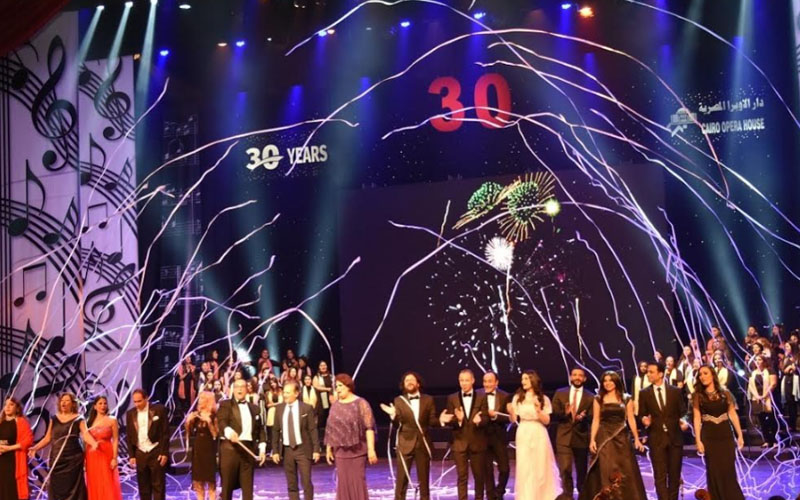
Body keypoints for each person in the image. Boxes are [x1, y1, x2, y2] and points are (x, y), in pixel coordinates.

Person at [578, 371, 647, 500]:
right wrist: (592, 440)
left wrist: (637, 439)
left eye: (610, 380)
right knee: (606, 467)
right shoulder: (598, 399)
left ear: (616, 382)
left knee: (625, 468)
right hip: (605, 437)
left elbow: (631, 419)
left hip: (622, 437)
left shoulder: (626, 398)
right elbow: (596, 420)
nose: (607, 383)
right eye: (605, 381)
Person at [29, 392, 98, 500]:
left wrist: (94, 443)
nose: (64, 403)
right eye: (62, 400)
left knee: (74, 487)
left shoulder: (78, 419)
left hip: (73, 459)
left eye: (67, 400)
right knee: (57, 486)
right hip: (57, 458)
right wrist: (35, 448)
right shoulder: (53, 419)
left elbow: (85, 434)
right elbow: (47, 438)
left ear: (73, 404)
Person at [380, 371, 437, 500]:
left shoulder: (428, 399)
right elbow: (398, 424)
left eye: (412, 380)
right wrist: (393, 416)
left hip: (423, 444)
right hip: (405, 443)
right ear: (403, 384)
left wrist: (442, 421)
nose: (409, 382)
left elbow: (432, 421)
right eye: (407, 380)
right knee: (401, 480)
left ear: (418, 383)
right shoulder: (399, 401)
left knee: (424, 480)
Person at [691, 365, 745, 500]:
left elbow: (732, 413)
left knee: (728, 469)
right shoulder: (698, 396)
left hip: (725, 435)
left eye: (705, 373)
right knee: (714, 470)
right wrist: (698, 440)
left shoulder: (725, 393)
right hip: (709, 436)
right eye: (700, 374)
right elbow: (697, 418)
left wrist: (740, 435)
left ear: (712, 375)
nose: (702, 377)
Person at [637, 361, 688, 500]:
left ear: (660, 374)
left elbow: (683, 411)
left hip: (675, 438)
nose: (648, 374)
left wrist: (684, 421)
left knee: (674, 475)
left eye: (651, 372)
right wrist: (644, 420)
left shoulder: (675, 391)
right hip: (656, 438)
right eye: (647, 372)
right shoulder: (644, 393)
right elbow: (641, 414)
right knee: (660, 476)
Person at [508, 370, 561, 500]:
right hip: (523, 431)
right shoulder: (517, 398)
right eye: (522, 379)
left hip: (538, 431)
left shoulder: (543, 399)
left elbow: (547, 421)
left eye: (526, 378)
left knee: (541, 465)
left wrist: (538, 411)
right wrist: (511, 412)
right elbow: (513, 420)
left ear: (533, 380)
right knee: (525, 465)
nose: (523, 381)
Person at [324, 373, 378, 500]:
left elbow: (369, 427)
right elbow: (331, 429)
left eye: (340, 386)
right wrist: (328, 449)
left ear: (348, 386)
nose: (338, 389)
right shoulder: (335, 405)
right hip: (340, 452)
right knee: (343, 484)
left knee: (357, 482)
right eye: (336, 386)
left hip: (357, 451)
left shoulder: (361, 403)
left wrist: (371, 449)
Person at [440, 369, 489, 500]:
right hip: (459, 442)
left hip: (477, 442)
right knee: (462, 477)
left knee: (479, 476)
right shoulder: (452, 398)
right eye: (461, 380)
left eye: (467, 380)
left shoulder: (482, 396)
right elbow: (451, 420)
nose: (464, 383)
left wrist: (480, 421)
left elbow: (486, 418)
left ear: (472, 381)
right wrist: (458, 420)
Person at [218, 379, 267, 500]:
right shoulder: (226, 404)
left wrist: (262, 449)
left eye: (242, 387)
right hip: (230, 449)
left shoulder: (254, 408)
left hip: (248, 450)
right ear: (233, 389)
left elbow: (260, 430)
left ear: (247, 389)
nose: (239, 389)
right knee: (227, 487)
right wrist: (229, 431)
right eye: (237, 387)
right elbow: (222, 421)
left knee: (248, 488)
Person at [272, 381, 321, 500]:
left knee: (306, 482)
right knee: (291, 483)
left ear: (296, 393)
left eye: (288, 393)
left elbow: (312, 430)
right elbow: (275, 431)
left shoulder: (306, 408)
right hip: (287, 451)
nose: (285, 395)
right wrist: (276, 451)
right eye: (284, 392)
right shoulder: (279, 408)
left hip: (303, 449)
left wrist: (316, 449)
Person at [552, 367, 593, 500]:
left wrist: (584, 418)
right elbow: (554, 414)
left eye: (580, 375)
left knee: (581, 470)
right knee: (565, 468)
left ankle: (582, 493)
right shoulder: (560, 393)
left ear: (584, 379)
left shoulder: (590, 396)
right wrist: (565, 413)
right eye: (574, 375)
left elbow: (593, 416)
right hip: (564, 437)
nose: (577, 377)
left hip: (581, 436)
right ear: (570, 377)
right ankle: (567, 494)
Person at [125, 389, 169, 500]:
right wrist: (132, 455)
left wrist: (164, 452)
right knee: (143, 487)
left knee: (158, 485)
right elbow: (129, 435)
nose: (137, 404)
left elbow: (165, 433)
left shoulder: (159, 410)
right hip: (140, 452)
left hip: (155, 451)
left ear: (146, 398)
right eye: (135, 402)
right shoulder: (130, 414)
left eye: (139, 401)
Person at [479, 371, 510, 500]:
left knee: (504, 469)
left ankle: (499, 492)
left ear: (496, 383)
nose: (487, 384)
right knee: (487, 470)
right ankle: (491, 496)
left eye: (490, 381)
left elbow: (509, 418)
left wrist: (495, 416)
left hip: (499, 437)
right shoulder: (477, 395)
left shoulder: (505, 396)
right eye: (485, 381)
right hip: (483, 436)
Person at [85, 396, 122, 500]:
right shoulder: (89, 421)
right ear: (95, 406)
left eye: (105, 403)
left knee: (107, 482)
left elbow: (115, 439)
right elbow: (86, 440)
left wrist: (114, 458)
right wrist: (84, 459)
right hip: (91, 456)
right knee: (94, 482)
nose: (103, 406)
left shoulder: (112, 420)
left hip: (106, 454)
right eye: (100, 403)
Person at [186, 391, 218, 500]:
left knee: (210, 481)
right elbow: (189, 433)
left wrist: (209, 423)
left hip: (209, 449)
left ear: (208, 401)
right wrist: (188, 422)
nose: (199, 401)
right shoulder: (196, 415)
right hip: (198, 448)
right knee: (198, 481)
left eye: (202, 399)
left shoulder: (213, 416)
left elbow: (215, 435)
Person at [0, 397, 33, 500]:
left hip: (14, 461)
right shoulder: (0, 422)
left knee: (12, 489)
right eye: (6, 405)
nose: (7, 407)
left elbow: (28, 440)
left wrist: (9, 448)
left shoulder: (21, 422)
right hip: (1, 460)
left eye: (11, 404)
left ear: (17, 408)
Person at [748, 355, 778, 448]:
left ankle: (774, 440)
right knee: (762, 421)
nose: (757, 361)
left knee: (772, 420)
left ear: (764, 361)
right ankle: (767, 440)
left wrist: (765, 395)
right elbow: (750, 386)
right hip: (757, 399)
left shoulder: (770, 370)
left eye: (759, 359)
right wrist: (757, 396)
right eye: (756, 360)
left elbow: (773, 384)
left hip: (769, 397)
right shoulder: (753, 373)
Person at [780, 343, 799, 432]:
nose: (786, 348)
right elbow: (782, 369)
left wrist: (793, 367)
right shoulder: (785, 358)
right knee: (790, 403)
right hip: (788, 381)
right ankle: (792, 425)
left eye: (788, 346)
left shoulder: (797, 356)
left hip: (796, 380)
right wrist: (786, 368)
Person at [313, 361, 334, 432]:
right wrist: (327, 389)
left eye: (324, 365)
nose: (323, 367)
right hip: (321, 399)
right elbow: (316, 386)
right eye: (321, 365)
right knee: (322, 415)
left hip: (331, 397)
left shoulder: (331, 376)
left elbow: (335, 385)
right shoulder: (317, 377)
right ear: (319, 367)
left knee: (330, 413)